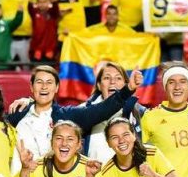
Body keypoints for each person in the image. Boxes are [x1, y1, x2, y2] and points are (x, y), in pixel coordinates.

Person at [8, 64, 141, 163]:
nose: (44, 87)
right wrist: (29, 102)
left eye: (49, 82)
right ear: (31, 87)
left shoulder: (67, 116)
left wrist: (128, 89)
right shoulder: (18, 113)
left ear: (57, 88)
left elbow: (101, 110)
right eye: (39, 82)